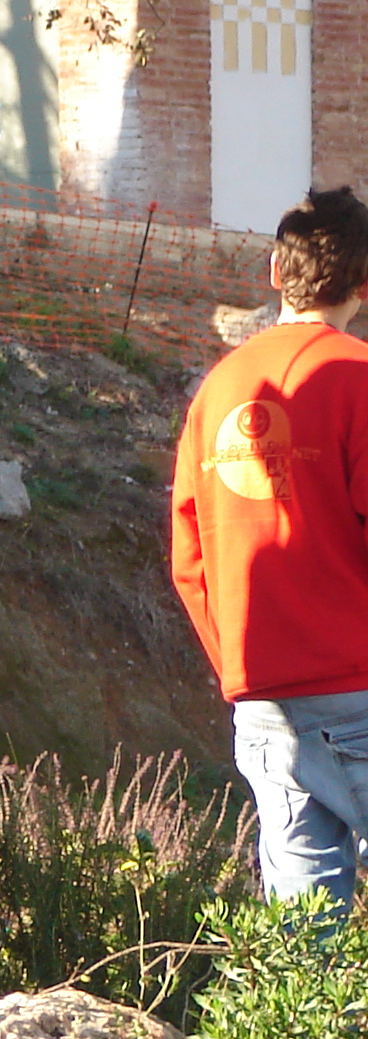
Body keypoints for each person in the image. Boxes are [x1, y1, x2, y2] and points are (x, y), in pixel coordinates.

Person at [172, 186, 368, 911]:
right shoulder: (356, 377)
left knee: (300, 937)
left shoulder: (218, 386)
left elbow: (189, 557)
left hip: (264, 697)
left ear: (274, 273)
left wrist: (241, 667)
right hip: (357, 683)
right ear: (364, 285)